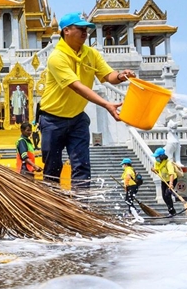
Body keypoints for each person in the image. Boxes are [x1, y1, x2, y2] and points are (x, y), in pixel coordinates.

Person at [39, 12, 135, 188]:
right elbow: (77, 86)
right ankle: (52, 210)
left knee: (82, 167)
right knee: (52, 169)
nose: (85, 33)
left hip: (77, 119)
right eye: (81, 29)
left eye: (87, 30)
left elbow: (108, 75)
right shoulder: (56, 57)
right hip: (52, 120)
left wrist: (121, 75)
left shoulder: (91, 54)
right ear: (66, 31)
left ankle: (81, 208)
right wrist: (106, 104)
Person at [151, 147, 177, 216]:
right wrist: (153, 170)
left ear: (161, 156)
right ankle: (171, 210)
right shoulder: (157, 163)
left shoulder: (168, 163)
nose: (156, 158)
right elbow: (157, 170)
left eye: (157, 157)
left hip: (172, 179)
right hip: (164, 180)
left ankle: (172, 211)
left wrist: (171, 184)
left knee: (167, 195)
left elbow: (172, 174)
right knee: (164, 196)